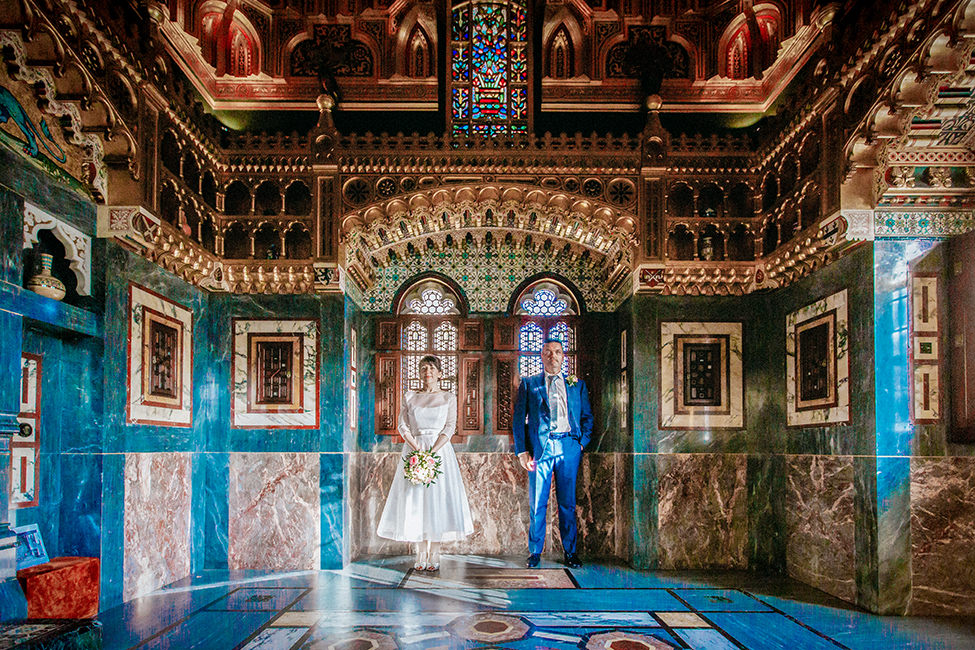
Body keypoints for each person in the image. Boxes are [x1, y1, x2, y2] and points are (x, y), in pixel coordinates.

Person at [377, 355, 474, 570]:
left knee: (437, 501)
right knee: (416, 500)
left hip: (439, 452)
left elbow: (449, 427)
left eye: (431, 367)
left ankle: (435, 553)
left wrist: (432, 451)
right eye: (423, 368)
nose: (427, 371)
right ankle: (420, 552)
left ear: (439, 373)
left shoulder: (448, 398)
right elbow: (403, 426)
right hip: (414, 449)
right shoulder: (410, 397)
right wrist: (417, 448)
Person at [512, 337, 593, 569]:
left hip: (568, 447)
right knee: (538, 501)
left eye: (557, 352)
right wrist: (522, 452)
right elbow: (519, 420)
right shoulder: (530, 383)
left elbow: (587, 417)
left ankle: (570, 552)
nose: (552, 356)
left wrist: (580, 444)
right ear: (541, 356)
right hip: (541, 450)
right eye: (547, 352)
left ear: (562, 356)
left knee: (567, 503)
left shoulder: (577, 384)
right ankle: (535, 552)